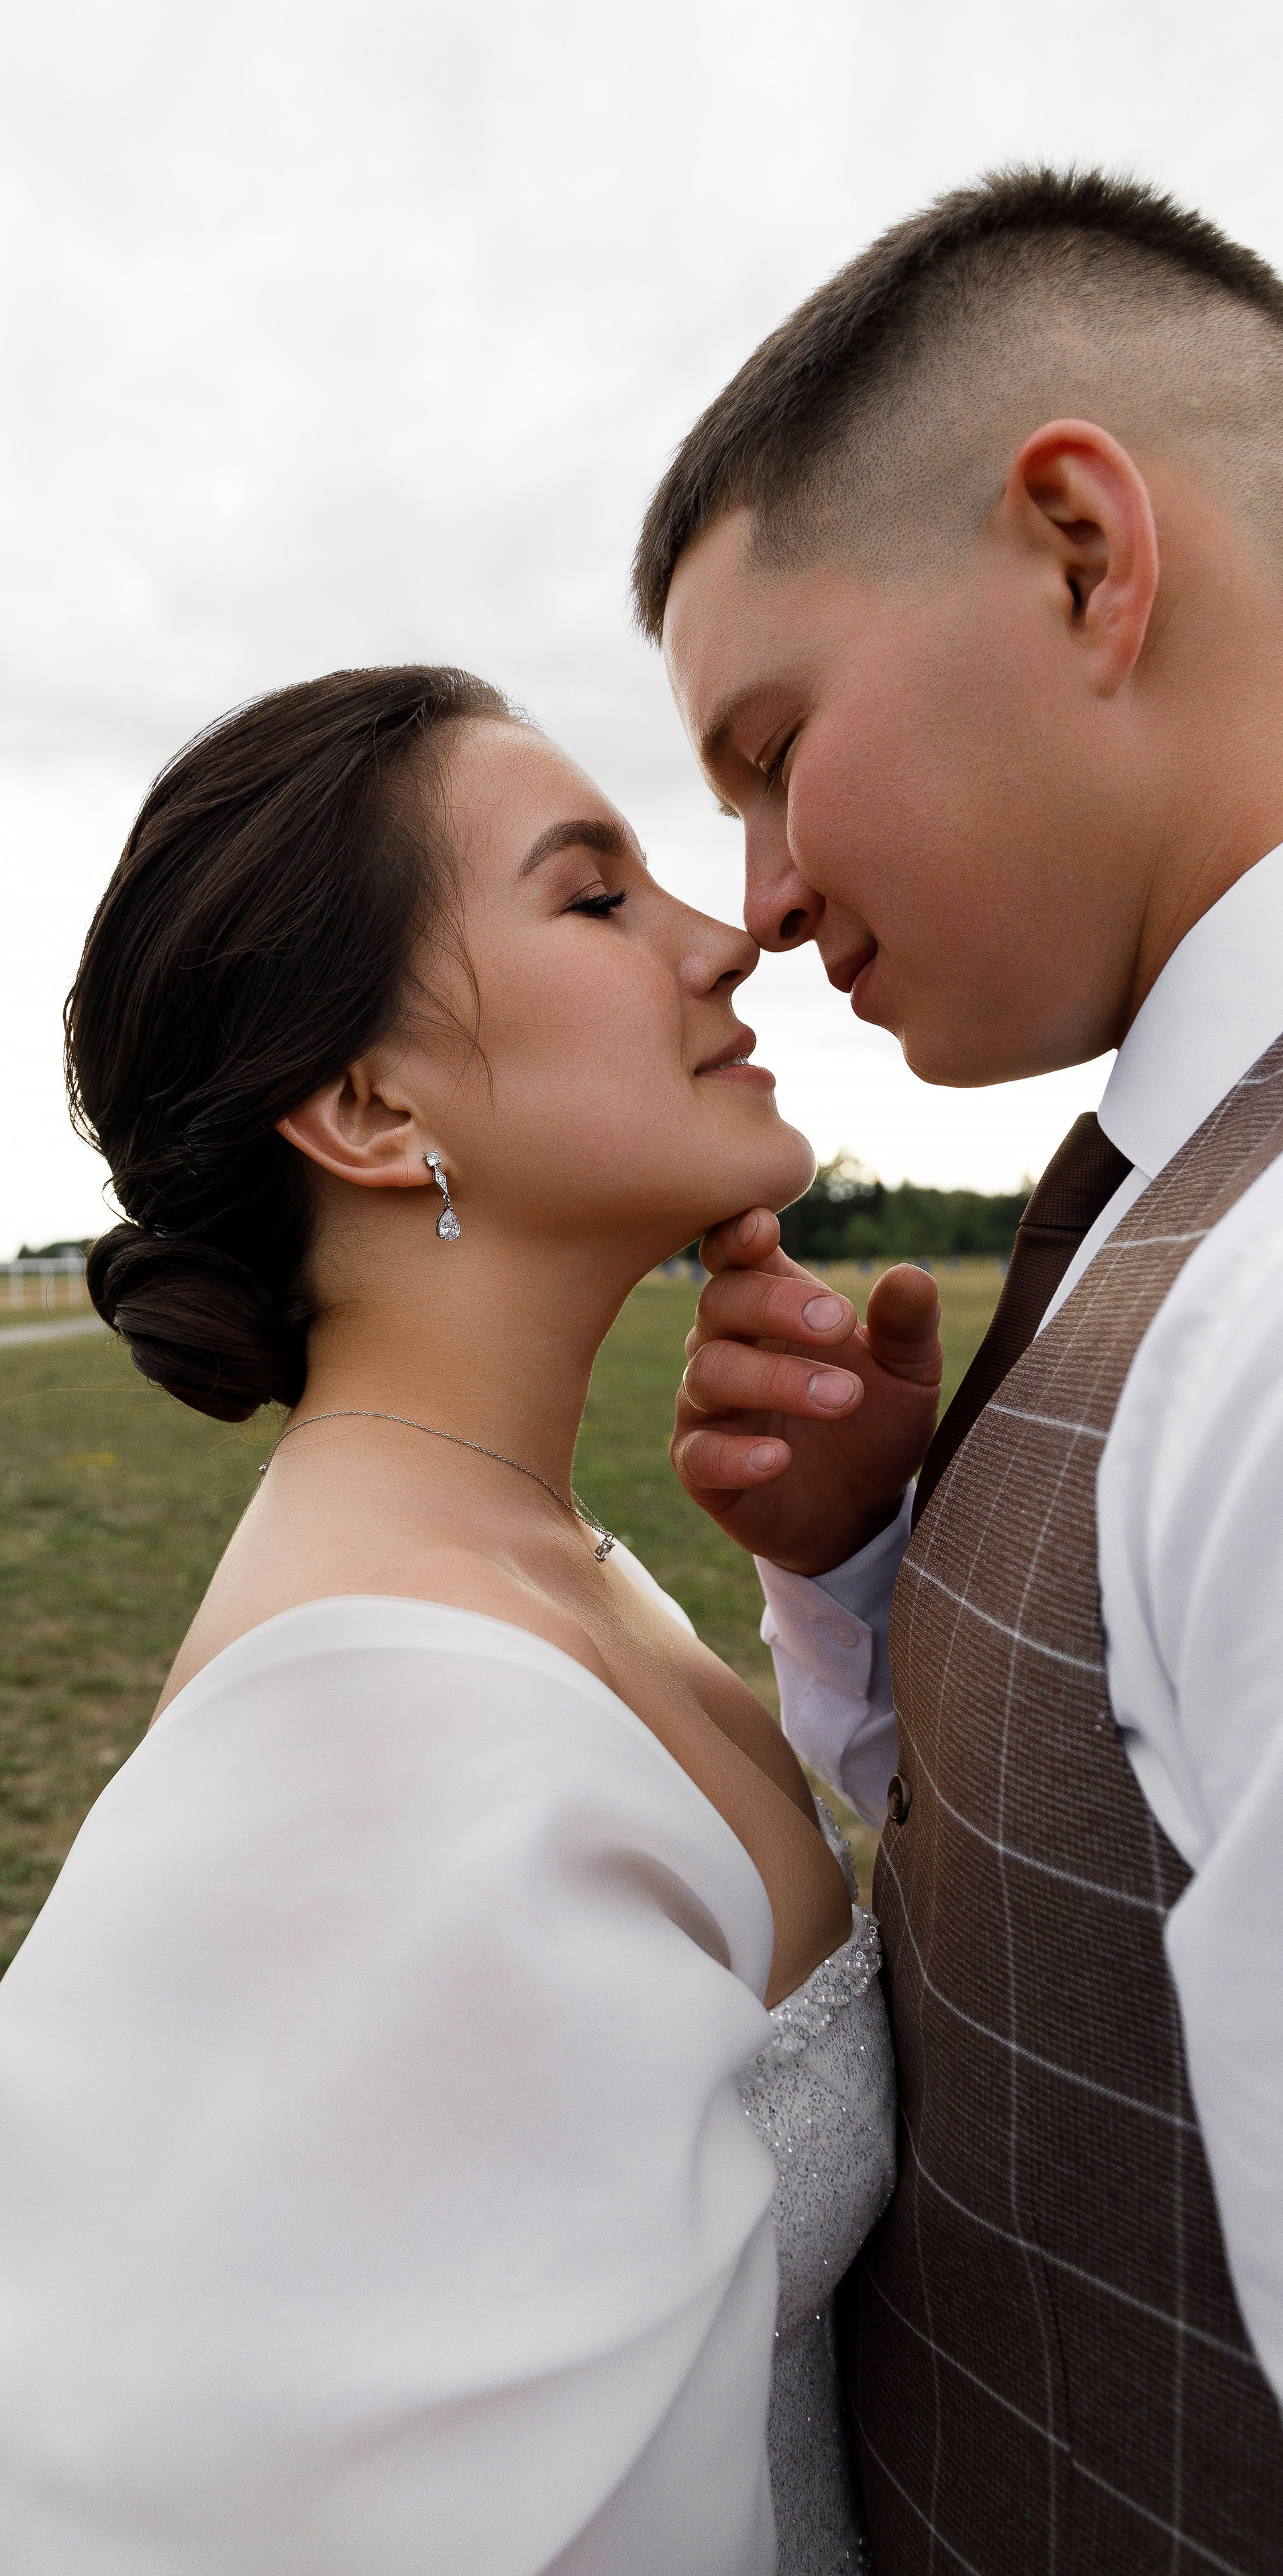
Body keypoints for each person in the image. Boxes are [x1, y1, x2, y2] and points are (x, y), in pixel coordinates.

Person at [0, 666, 895, 2573]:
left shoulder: (548, 1558)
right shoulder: (386, 1740)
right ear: (369, 1109)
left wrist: (849, 1568)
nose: (730, 937)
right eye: (596, 895)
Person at [635, 167, 1283, 2575]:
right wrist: (884, 1561)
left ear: (1088, 558)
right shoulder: (1171, 1192)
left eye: (770, 745)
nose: (765, 893)